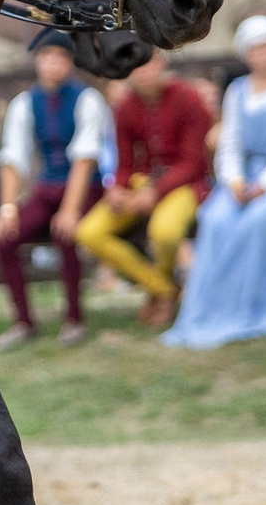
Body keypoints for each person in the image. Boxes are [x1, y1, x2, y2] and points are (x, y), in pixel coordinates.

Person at [164, 17, 266, 346]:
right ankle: (216, 304)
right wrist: (233, 182)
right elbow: (229, 142)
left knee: (260, 220)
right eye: (254, 49)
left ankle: (259, 303)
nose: (260, 55)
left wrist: (265, 185)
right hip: (240, 180)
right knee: (215, 219)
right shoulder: (237, 91)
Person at [0, 29, 111, 349]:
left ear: (69, 64)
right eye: (47, 57)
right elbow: (13, 158)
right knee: (5, 238)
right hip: (48, 187)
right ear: (37, 61)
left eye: (61, 58)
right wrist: (7, 210)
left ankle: (73, 317)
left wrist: (70, 210)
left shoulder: (87, 99)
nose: (53, 64)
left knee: (65, 233)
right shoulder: (25, 103)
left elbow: (85, 159)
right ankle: (23, 321)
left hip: (86, 188)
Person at [75, 49, 215, 328]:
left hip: (186, 185)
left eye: (149, 64)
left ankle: (161, 297)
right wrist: (116, 188)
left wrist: (155, 191)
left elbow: (192, 163)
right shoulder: (126, 107)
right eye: (137, 66)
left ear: (162, 64)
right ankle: (163, 290)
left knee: (164, 233)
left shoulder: (187, 98)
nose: (144, 72)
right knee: (89, 233)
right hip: (143, 182)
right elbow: (125, 163)